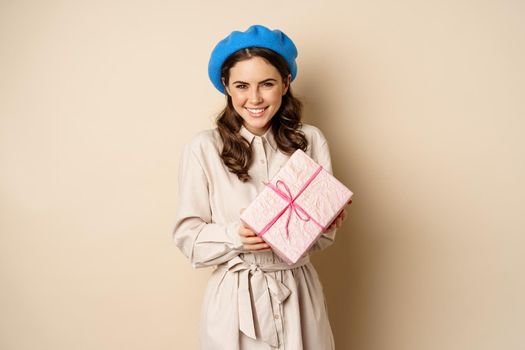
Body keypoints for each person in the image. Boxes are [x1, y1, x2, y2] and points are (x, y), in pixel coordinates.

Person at [172, 24, 350, 350]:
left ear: (286, 83)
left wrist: (324, 221)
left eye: (267, 84)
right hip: (234, 300)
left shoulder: (310, 140)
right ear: (226, 86)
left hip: (297, 292)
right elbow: (188, 239)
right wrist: (235, 235)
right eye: (241, 85)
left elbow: (323, 239)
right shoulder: (203, 148)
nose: (254, 98)